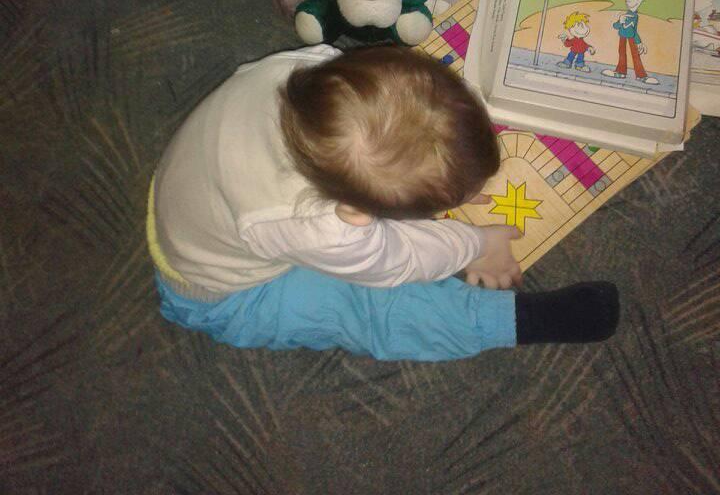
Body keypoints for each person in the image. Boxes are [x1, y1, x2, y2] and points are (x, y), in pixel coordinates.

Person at [148, 45, 619, 361]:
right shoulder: (318, 228)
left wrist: (444, 175)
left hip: (194, 197)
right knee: (373, 308)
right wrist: (476, 243)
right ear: (358, 214)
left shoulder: (305, 69)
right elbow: (402, 259)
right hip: (215, 294)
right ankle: (515, 321)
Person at [602, 0, 658, 84]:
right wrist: (620, 21)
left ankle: (641, 75)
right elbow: (615, 26)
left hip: (631, 37)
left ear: (642, 0)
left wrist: (639, 42)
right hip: (622, 36)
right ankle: (620, 72)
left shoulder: (634, 16)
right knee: (622, 53)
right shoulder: (625, 14)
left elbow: (634, 30)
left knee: (635, 55)